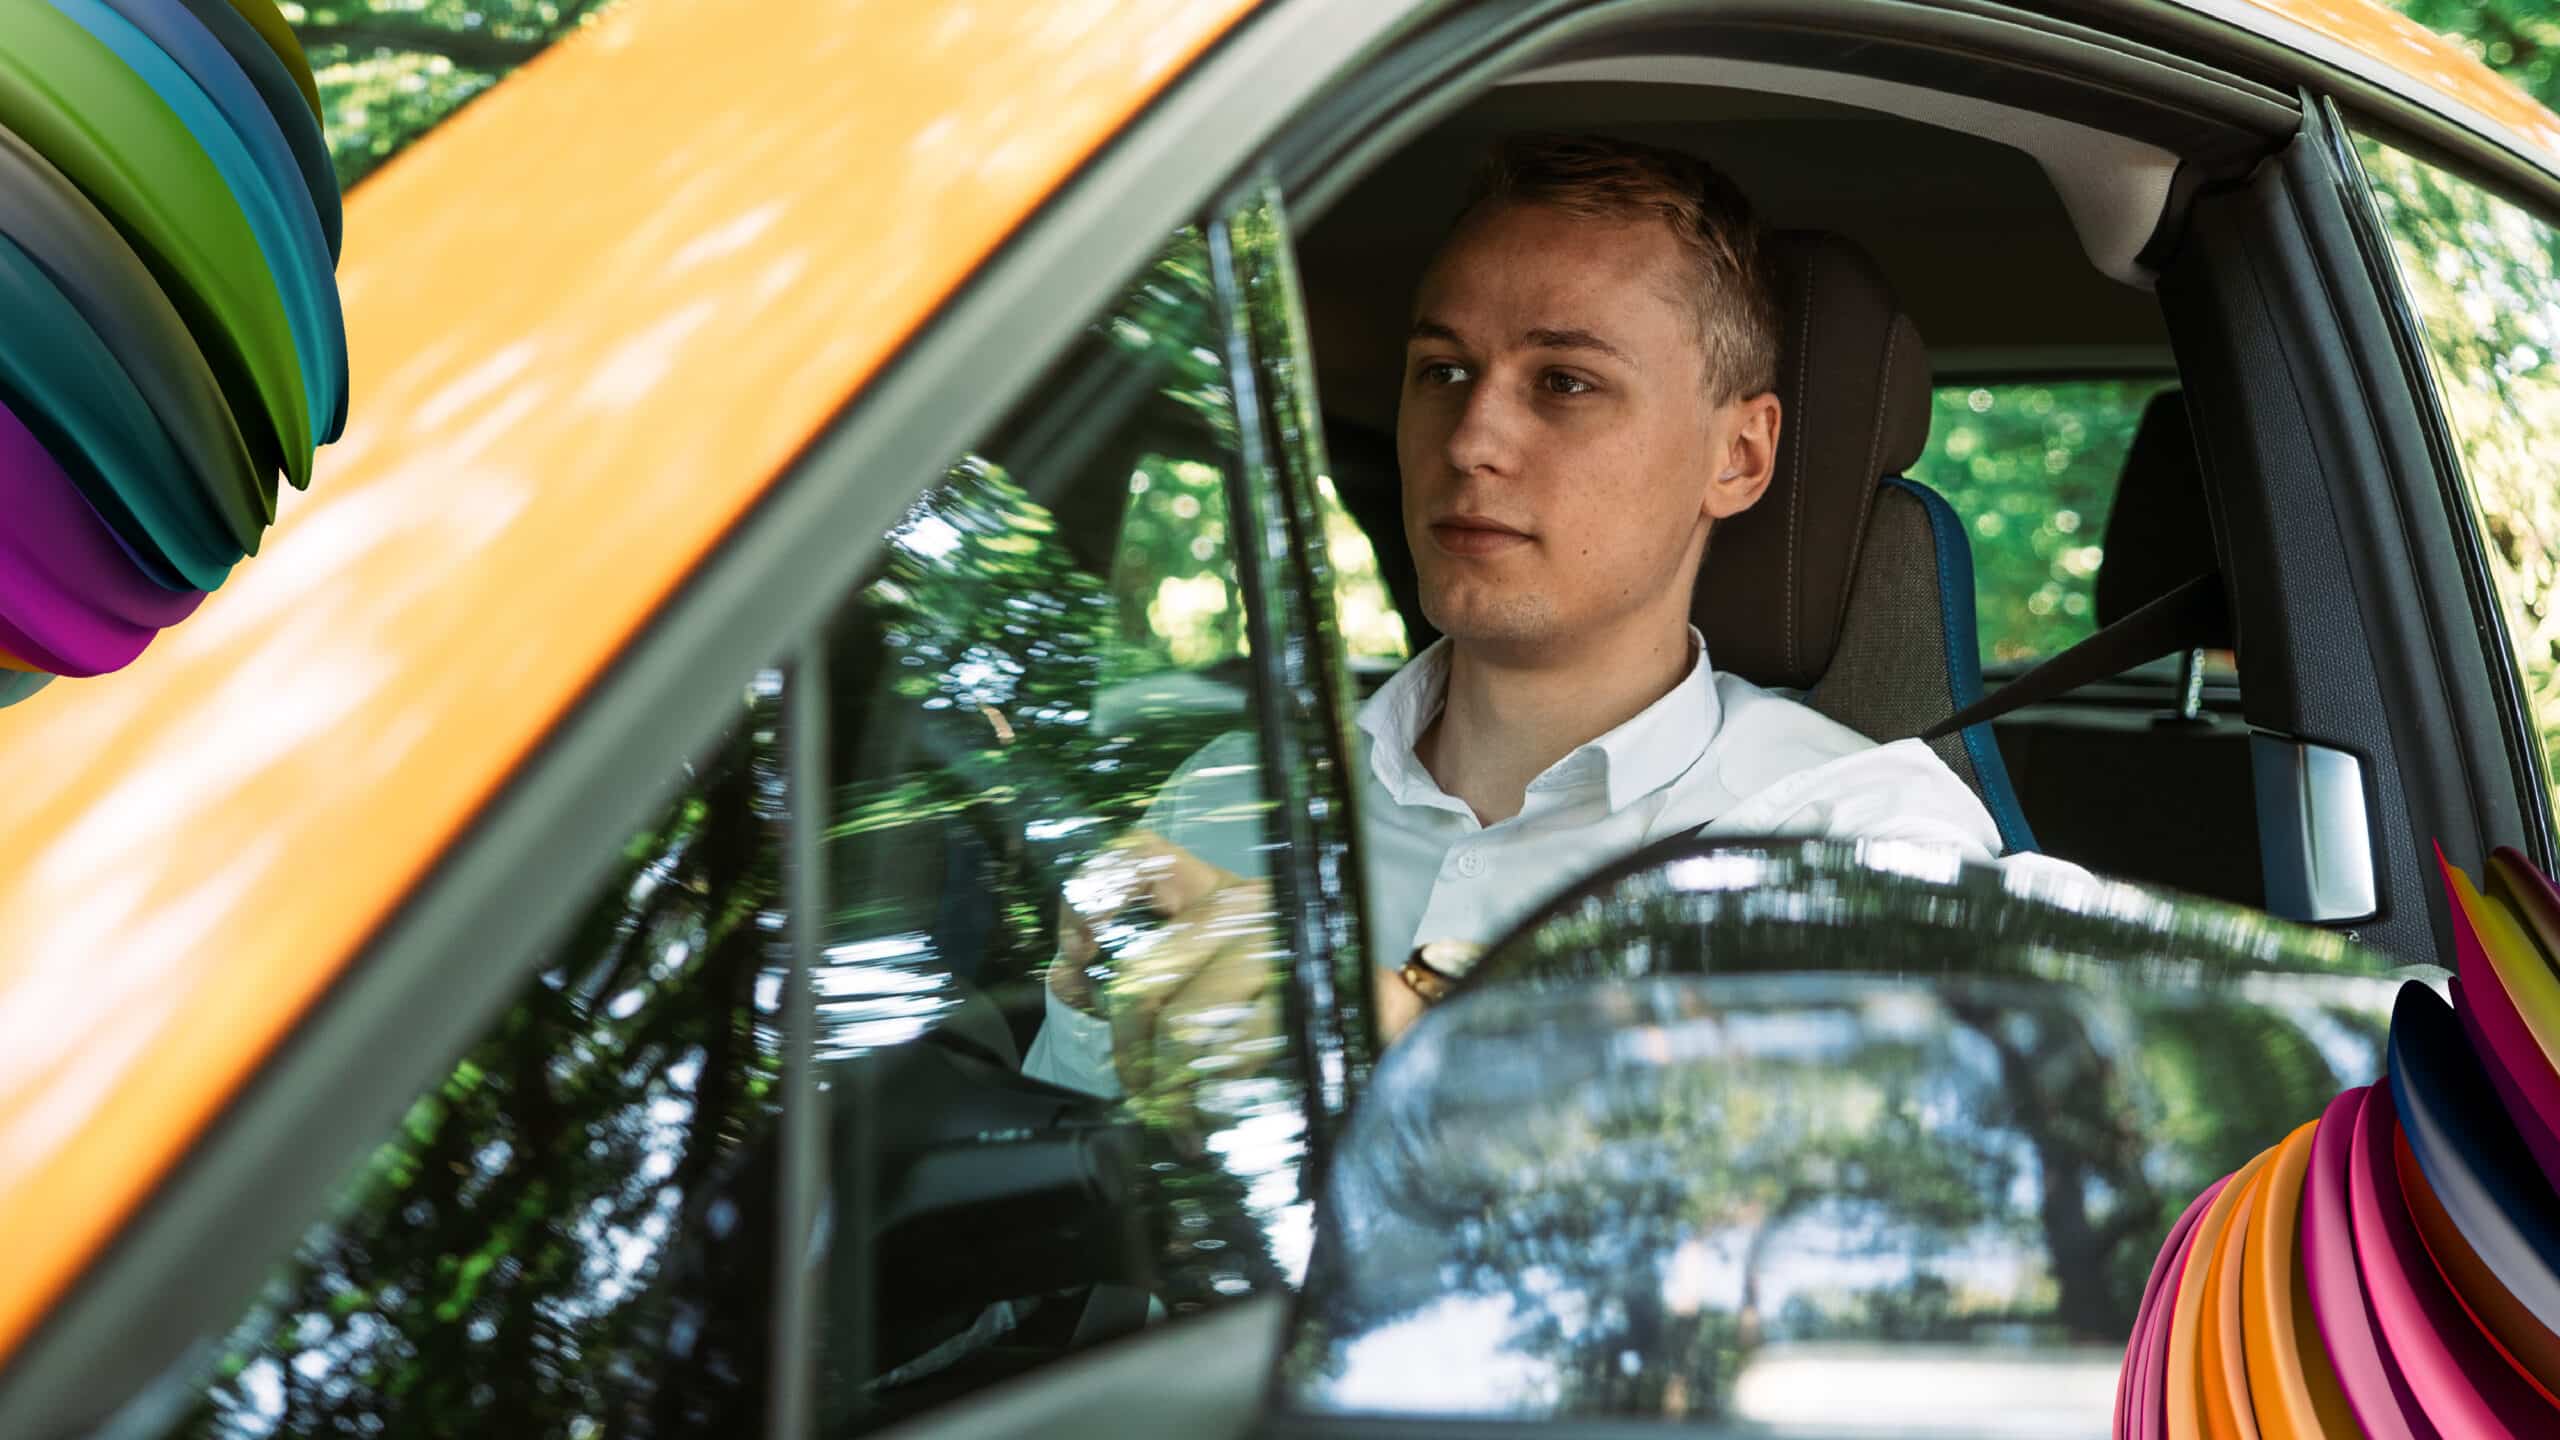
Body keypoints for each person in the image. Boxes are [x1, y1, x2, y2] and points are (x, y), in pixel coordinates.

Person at [1024, 133, 2076, 1098]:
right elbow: (1074, 1218)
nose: (1471, 437)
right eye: (1442, 370)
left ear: (1739, 457)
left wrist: (1434, 1034)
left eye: (1566, 382)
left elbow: (1949, 1176)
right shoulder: (1228, 797)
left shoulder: (1848, 838)